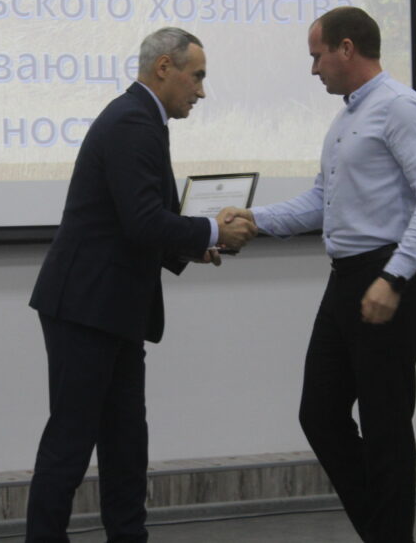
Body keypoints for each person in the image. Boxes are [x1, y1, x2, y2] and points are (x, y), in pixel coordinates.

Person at [223, 7, 416, 542]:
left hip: (388, 278)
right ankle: (384, 533)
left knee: (384, 425)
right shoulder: (346, 118)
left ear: (346, 48)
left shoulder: (399, 107)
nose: (314, 70)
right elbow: (320, 202)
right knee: (320, 414)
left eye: (317, 56)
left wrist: (394, 277)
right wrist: (255, 219)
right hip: (347, 279)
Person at [26, 27, 257, 542]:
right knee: (72, 443)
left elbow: (142, 220)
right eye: (197, 76)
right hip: (87, 308)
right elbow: (142, 221)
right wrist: (213, 230)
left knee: (126, 440)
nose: (201, 91)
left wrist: (196, 246)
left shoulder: (143, 118)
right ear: (164, 68)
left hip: (112, 309)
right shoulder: (133, 121)